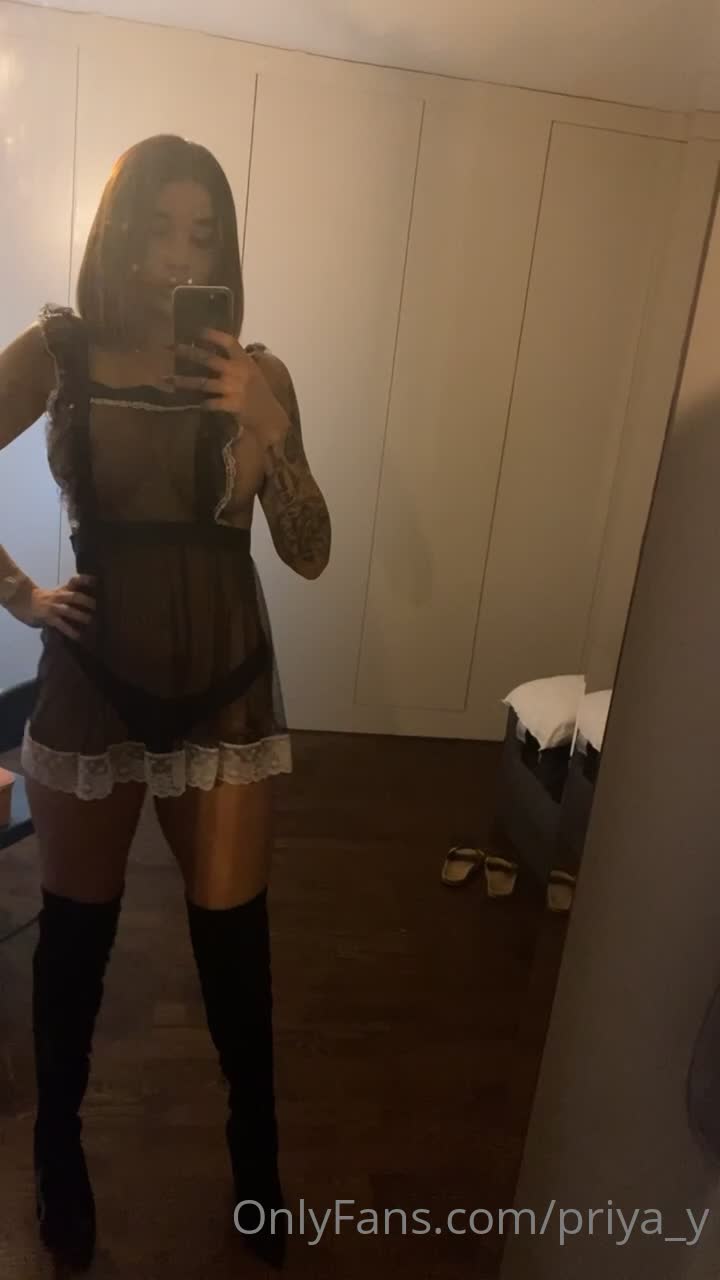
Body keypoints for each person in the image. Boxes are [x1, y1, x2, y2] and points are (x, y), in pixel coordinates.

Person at [0, 133, 331, 1271]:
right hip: (94, 689)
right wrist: (21, 595)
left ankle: (255, 1156)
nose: (179, 256)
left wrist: (270, 427)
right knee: (75, 947)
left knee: (236, 950)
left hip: (227, 697)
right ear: (117, 234)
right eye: (157, 230)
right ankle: (57, 1151)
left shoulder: (257, 370)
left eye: (203, 234)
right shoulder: (59, 351)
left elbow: (311, 550)